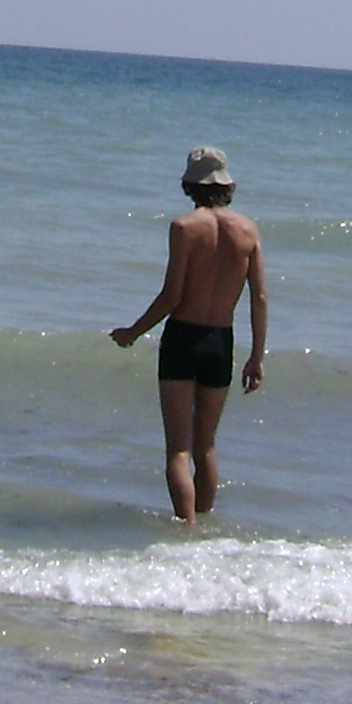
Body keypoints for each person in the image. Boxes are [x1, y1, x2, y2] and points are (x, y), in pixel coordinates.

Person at [111, 146, 267, 519]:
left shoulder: (184, 228)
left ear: (190, 185)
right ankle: (202, 531)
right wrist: (256, 356)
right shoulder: (248, 230)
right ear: (226, 185)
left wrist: (133, 332)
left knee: (178, 451)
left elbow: (172, 296)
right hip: (220, 342)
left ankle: (187, 529)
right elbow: (259, 298)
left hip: (183, 338)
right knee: (206, 448)